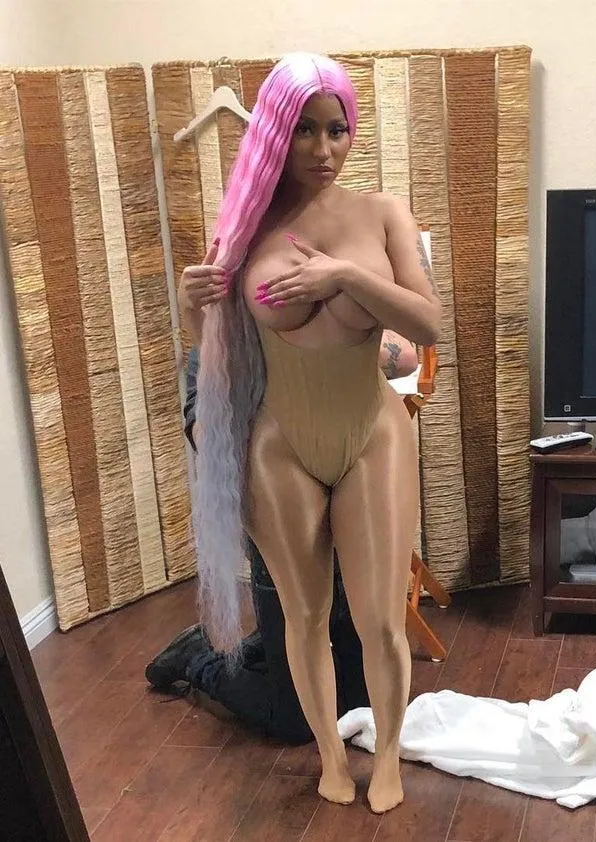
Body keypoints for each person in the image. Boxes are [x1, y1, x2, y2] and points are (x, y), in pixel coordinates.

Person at [187, 53, 441, 813]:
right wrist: (191, 301)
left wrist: (346, 277)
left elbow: (427, 324)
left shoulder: (382, 212)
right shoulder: (243, 226)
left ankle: (387, 757)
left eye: (337, 129)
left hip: (371, 433)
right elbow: (216, 353)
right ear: (274, 131)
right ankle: (331, 755)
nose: (324, 149)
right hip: (280, 444)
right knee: (302, 617)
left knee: (379, 620)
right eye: (304, 130)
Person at [145, 332, 418, 746]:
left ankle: (262, 647)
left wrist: (317, 343)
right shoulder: (220, 344)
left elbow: (407, 357)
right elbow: (205, 436)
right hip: (283, 532)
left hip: (354, 521)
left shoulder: (330, 315)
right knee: (295, 722)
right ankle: (197, 657)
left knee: (362, 704)